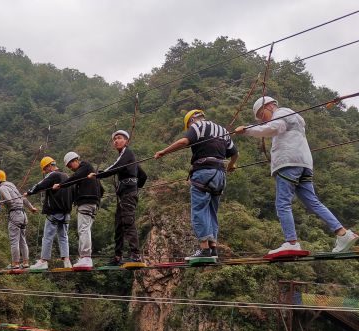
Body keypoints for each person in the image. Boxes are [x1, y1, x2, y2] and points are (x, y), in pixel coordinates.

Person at [235, 96, 359, 256]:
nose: (262, 120)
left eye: (261, 115)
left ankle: (291, 242)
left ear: (269, 106)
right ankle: (343, 233)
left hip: (289, 162)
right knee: (313, 202)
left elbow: (273, 128)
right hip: (304, 164)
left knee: (282, 203)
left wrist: (247, 130)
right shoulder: (294, 118)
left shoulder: (281, 112)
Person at [155, 109, 238, 262]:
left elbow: (183, 142)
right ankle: (213, 249)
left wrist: (163, 152)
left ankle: (204, 249)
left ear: (192, 120)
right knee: (212, 212)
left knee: (199, 210)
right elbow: (234, 153)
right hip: (220, 174)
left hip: (203, 173)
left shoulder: (197, 126)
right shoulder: (222, 130)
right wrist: (231, 165)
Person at [88, 130, 146, 265]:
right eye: (114, 140)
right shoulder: (130, 159)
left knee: (128, 221)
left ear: (126, 141)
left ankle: (136, 254)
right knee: (119, 225)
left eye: (119, 138)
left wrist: (98, 175)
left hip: (128, 194)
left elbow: (115, 167)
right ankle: (118, 257)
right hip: (125, 194)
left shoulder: (127, 153)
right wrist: (136, 188)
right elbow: (143, 176)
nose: (116, 141)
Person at [53, 152, 103, 268]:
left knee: (83, 229)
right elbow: (101, 188)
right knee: (86, 229)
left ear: (75, 160)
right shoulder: (87, 171)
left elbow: (74, 178)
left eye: (70, 166)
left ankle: (85, 257)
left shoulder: (84, 166)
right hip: (93, 203)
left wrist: (60, 185)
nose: (71, 169)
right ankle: (84, 257)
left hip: (86, 203)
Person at [24, 156, 73, 270]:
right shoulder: (66, 176)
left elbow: (40, 184)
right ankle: (66, 261)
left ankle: (43, 261)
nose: (45, 173)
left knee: (47, 236)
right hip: (66, 212)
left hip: (54, 211)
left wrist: (29, 192)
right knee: (63, 236)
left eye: (45, 170)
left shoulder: (53, 175)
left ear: (49, 166)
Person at [0, 170, 37, 269]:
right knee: (22, 240)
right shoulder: (11, 185)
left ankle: (15, 264)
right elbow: (23, 198)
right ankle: (25, 263)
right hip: (23, 215)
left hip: (15, 215)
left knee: (14, 241)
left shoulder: (2, 187)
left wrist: (0, 202)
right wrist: (31, 208)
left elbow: (9, 201)